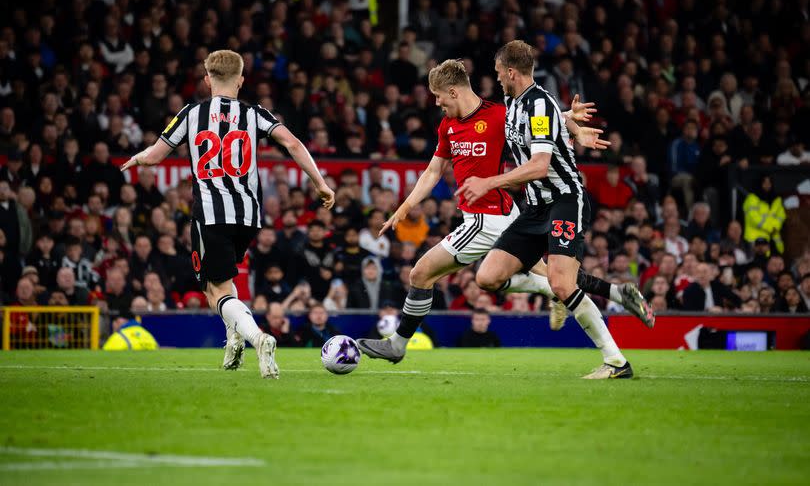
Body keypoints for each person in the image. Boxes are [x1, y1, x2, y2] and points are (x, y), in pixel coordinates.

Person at [357, 57, 648, 367]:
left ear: (454, 92)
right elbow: (432, 171)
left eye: (439, 96)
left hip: (488, 218)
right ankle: (611, 298)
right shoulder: (448, 125)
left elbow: (536, 118)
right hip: (502, 217)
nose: (437, 103)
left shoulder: (496, 115)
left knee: (421, 272)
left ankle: (397, 346)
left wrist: (570, 122)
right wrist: (403, 208)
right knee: (554, 278)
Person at [120, 50, 335, 379]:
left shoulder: (192, 113)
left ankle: (257, 337)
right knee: (224, 283)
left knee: (214, 290)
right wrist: (319, 183)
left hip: (210, 214)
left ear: (207, 80)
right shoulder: (255, 113)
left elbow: (155, 156)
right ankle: (233, 340)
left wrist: (138, 158)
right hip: (248, 216)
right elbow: (292, 144)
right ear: (241, 80)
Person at [459, 41, 653, 379]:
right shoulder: (514, 101)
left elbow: (538, 165)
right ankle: (612, 292)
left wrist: (490, 182)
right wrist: (570, 123)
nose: (495, 79)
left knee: (564, 284)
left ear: (510, 72)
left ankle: (617, 363)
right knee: (488, 278)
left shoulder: (540, 103)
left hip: (565, 200)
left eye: (497, 73)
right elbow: (540, 126)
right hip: (535, 207)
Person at [743, 175, 785, 254]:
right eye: (765, 183)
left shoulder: (777, 200)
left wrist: (775, 227)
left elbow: (781, 216)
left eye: (769, 183)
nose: (767, 185)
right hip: (754, 238)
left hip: (773, 238)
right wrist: (770, 228)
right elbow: (753, 217)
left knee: (778, 260)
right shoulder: (752, 198)